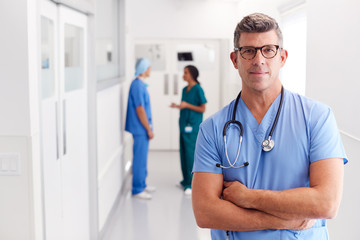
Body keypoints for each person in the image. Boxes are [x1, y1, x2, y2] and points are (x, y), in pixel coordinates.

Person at [192, 13, 348, 239]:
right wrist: (281, 220)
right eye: (248, 51)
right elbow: (205, 212)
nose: (259, 60)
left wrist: (249, 198)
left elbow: (327, 202)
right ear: (235, 59)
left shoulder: (317, 117)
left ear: (282, 57)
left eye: (268, 50)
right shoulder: (213, 129)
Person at [170, 65, 207, 196]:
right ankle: (185, 180)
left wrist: (187, 105)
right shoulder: (185, 89)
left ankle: (191, 184)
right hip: (183, 124)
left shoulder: (198, 89)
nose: (183, 75)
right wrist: (178, 106)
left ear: (191, 74)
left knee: (191, 154)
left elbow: (202, 108)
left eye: (185, 73)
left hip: (193, 126)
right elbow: (184, 105)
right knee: (183, 153)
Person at [125, 57, 156, 200]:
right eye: (148, 67)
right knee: (139, 159)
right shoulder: (137, 85)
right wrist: (148, 129)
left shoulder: (140, 85)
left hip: (142, 128)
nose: (150, 70)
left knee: (142, 158)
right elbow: (140, 109)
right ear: (143, 69)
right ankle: (137, 189)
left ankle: (142, 184)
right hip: (140, 129)